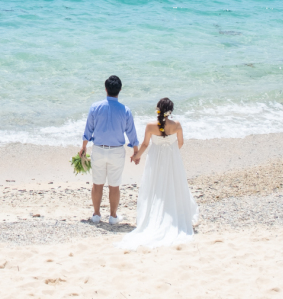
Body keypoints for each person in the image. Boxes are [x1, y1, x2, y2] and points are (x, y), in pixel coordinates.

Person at [117, 97, 199, 249]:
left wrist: (136, 156)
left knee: (155, 188)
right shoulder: (177, 125)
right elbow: (180, 143)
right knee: (174, 184)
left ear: (158, 110)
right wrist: (170, 151)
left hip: (155, 160)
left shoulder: (150, 126)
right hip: (172, 159)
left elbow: (145, 144)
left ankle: (154, 216)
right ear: (171, 111)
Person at [80, 75, 139, 224]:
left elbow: (88, 129)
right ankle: (113, 216)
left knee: (97, 183)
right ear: (120, 90)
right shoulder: (125, 110)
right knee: (114, 185)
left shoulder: (95, 107)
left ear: (105, 89)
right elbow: (131, 133)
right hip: (117, 151)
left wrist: (84, 147)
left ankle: (96, 214)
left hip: (99, 149)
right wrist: (136, 151)